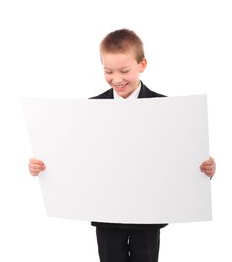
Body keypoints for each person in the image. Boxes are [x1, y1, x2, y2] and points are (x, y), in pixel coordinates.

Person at [29, 28, 216, 262]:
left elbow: (180, 157)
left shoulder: (167, 109)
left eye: (124, 71)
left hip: (149, 212)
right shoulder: (89, 111)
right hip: (106, 211)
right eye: (108, 71)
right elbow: (75, 156)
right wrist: (42, 166)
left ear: (142, 65)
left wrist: (206, 169)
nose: (116, 79)